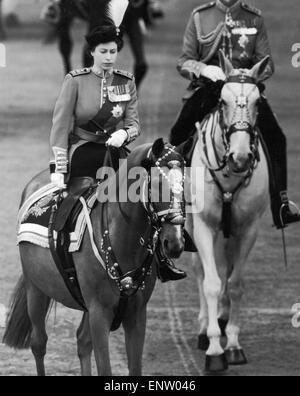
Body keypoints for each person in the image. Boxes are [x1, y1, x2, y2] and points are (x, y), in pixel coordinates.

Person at [49, 0, 185, 282]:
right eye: (103, 52)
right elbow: (60, 128)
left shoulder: (126, 81)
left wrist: (126, 134)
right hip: (85, 154)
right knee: (69, 211)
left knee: (151, 206)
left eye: (113, 51)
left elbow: (134, 123)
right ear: (92, 52)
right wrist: (59, 169)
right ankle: (65, 260)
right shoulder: (75, 81)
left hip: (121, 157)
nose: (109, 57)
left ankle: (161, 261)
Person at [170, 0, 300, 230]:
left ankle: (279, 205)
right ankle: (175, 202)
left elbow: (267, 62)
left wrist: (250, 74)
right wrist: (203, 69)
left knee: (276, 138)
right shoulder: (200, 16)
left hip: (245, 89)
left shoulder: (254, 18)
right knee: (178, 134)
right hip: (209, 89)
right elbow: (184, 61)